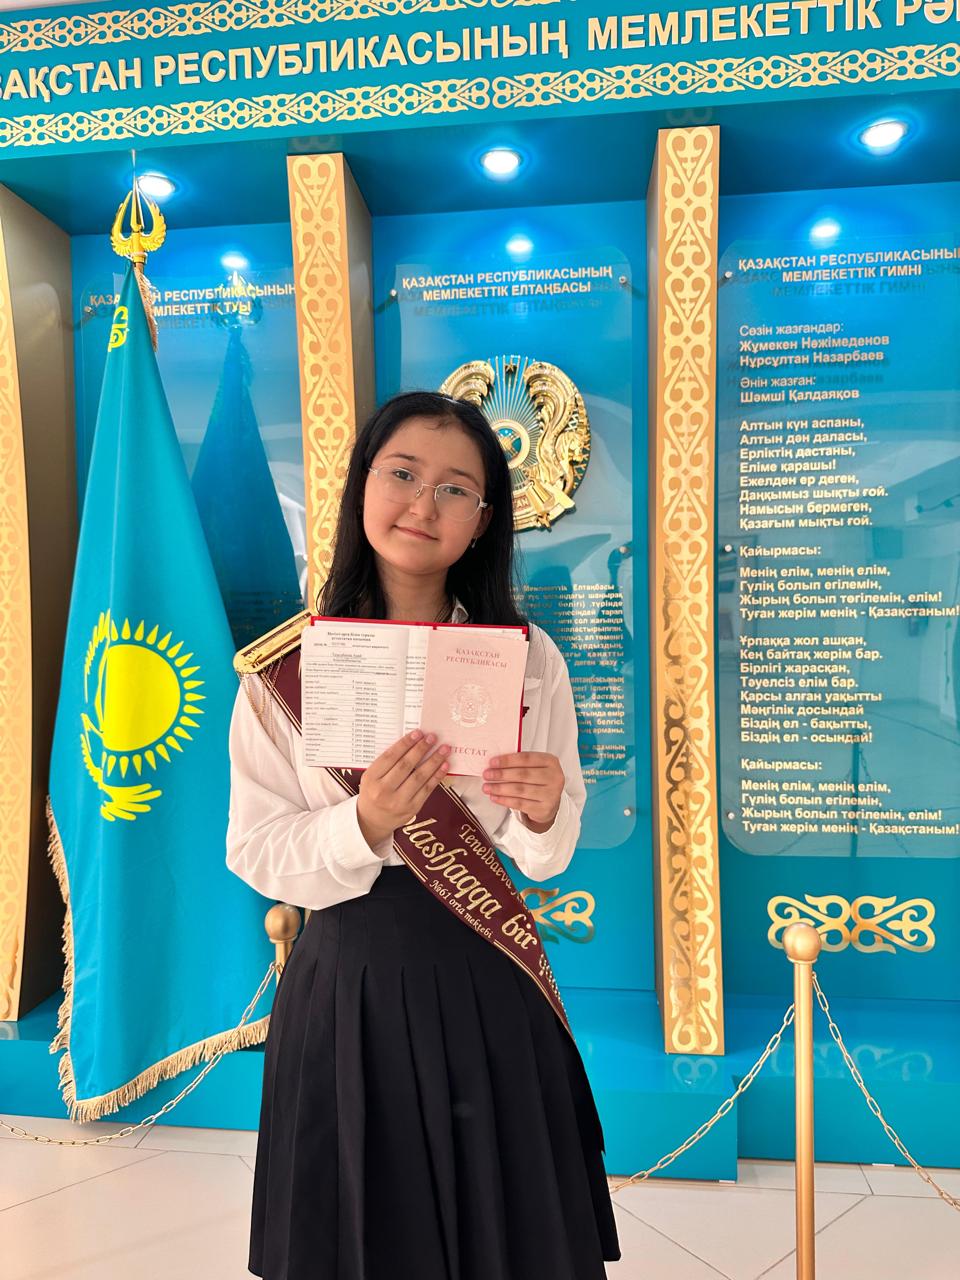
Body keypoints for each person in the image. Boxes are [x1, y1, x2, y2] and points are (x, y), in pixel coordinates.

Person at [226, 390, 621, 1279]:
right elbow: (255, 849)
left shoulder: (527, 657)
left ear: (483, 520)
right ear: (362, 486)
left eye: (455, 489)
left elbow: (546, 853)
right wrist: (363, 823)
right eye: (402, 474)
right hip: (347, 987)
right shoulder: (283, 671)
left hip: (485, 972)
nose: (422, 505)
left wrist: (545, 809)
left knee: (505, 1234)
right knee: (360, 1233)